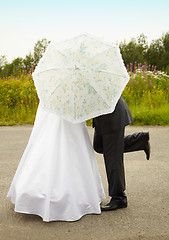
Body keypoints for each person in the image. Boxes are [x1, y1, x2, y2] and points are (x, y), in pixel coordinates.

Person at [7, 103, 105, 222]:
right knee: (60, 147)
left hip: (63, 112)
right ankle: (74, 195)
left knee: (60, 147)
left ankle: (44, 195)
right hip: (63, 112)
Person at [93, 96, 150, 211]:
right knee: (99, 146)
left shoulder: (93, 80)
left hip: (112, 117)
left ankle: (119, 198)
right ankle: (139, 140)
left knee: (112, 158)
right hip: (103, 118)